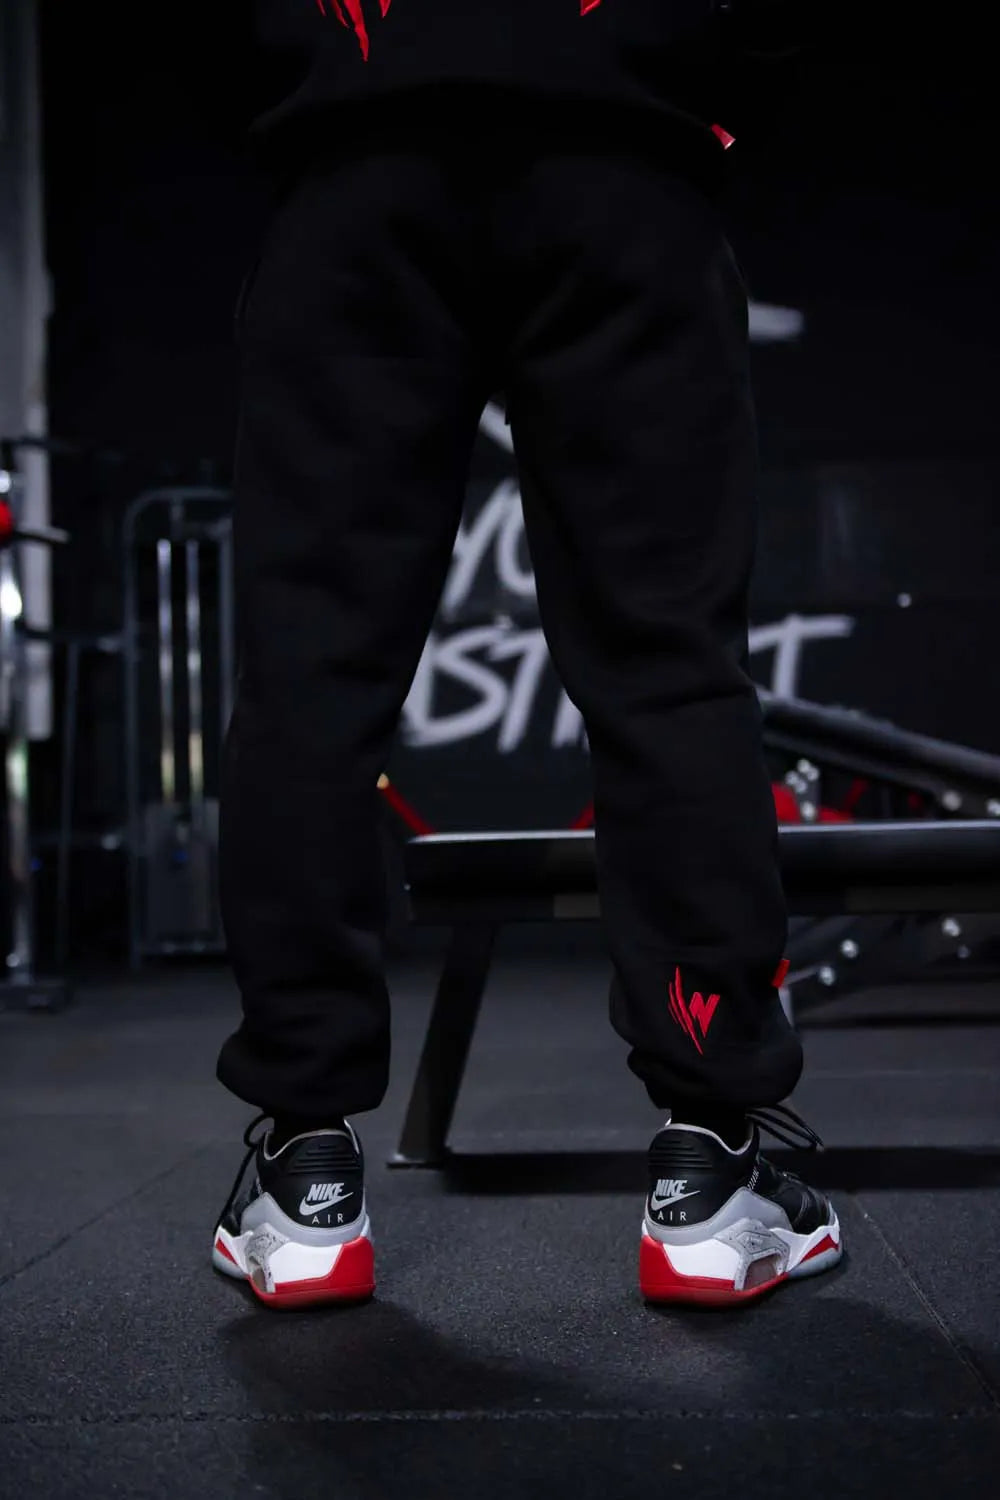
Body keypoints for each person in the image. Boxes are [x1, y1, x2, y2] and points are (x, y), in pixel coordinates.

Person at [211, 0, 842, 1309]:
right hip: (616, 156)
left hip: (363, 160)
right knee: (668, 668)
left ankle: (304, 1177)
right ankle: (711, 1175)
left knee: (312, 677)